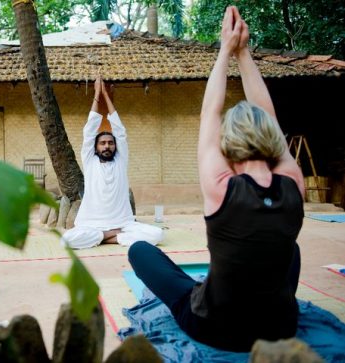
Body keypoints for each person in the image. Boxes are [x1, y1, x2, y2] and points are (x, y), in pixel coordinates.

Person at [128, 6, 305, 352]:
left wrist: (225, 49)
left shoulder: (221, 185)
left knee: (139, 251)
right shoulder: (293, 182)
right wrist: (244, 53)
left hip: (215, 327)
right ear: (273, 138)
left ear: (229, 144)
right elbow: (268, 116)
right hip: (280, 328)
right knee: (292, 251)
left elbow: (210, 113)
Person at [60, 76, 165, 249]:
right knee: (66, 241)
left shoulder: (120, 161)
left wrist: (107, 95)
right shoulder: (90, 161)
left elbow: (120, 131)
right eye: (102, 143)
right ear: (95, 148)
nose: (107, 146)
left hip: (123, 223)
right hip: (92, 223)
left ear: (116, 146)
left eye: (110, 143)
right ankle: (109, 236)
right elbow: (89, 132)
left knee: (158, 234)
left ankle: (102, 238)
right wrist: (96, 94)